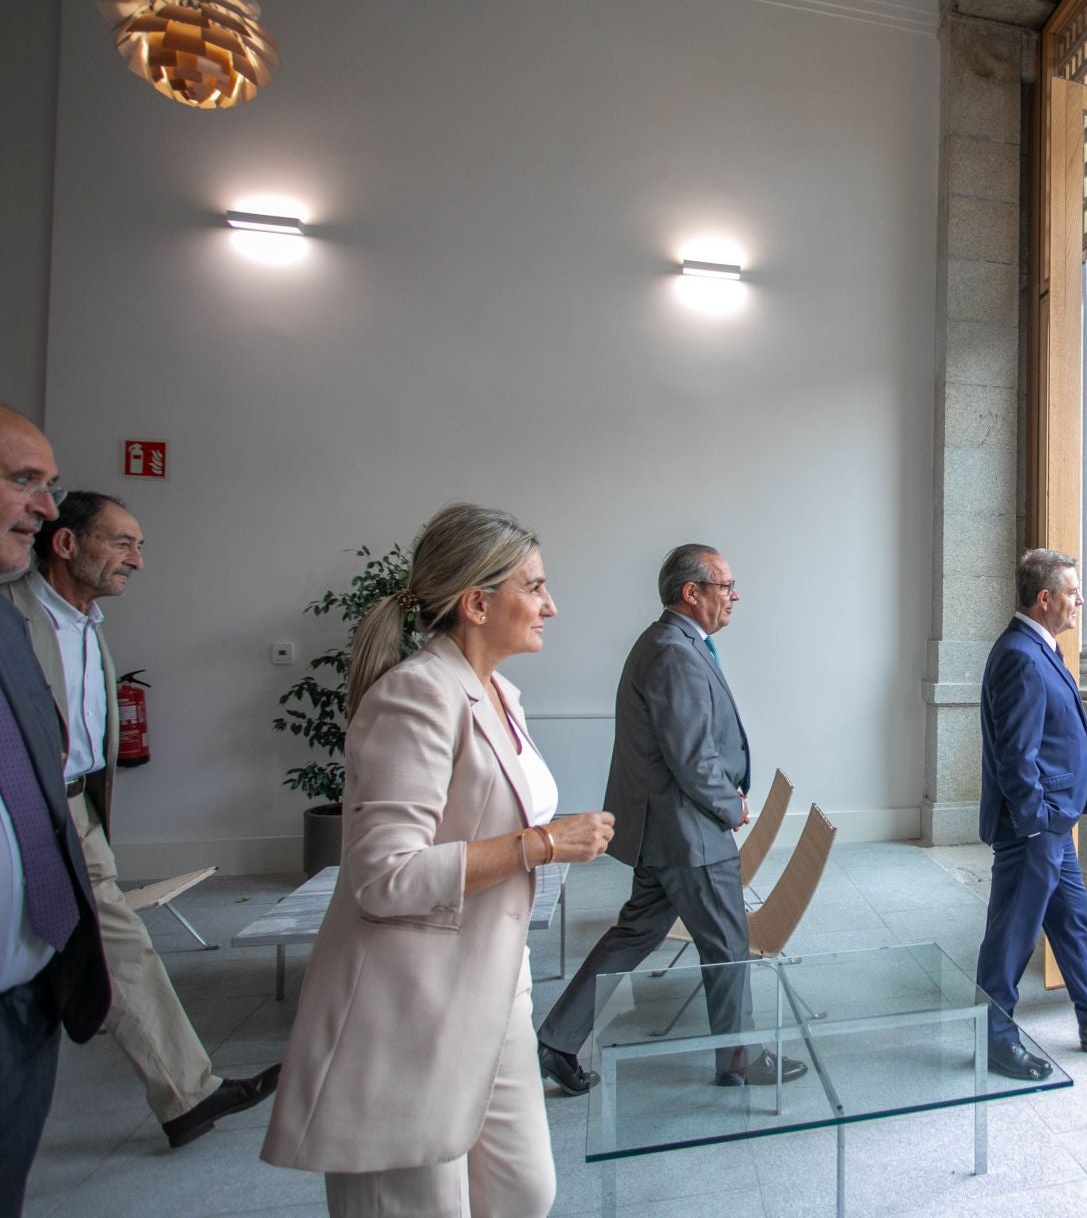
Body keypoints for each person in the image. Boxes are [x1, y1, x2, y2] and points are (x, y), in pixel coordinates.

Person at [261, 504, 615, 1216]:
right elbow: (384, 876)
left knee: (523, 1193)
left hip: (496, 986)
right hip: (413, 1003)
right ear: (477, 602)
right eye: (535, 586)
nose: (551, 604)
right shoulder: (415, 697)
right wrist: (545, 844)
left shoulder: (498, 693)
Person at [1, 491, 280, 1149]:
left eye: (140, 545)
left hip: (73, 809)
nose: (138, 560)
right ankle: (186, 1092)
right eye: (122, 542)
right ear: (65, 544)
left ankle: (187, 1093)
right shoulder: (15, 611)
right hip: (26, 808)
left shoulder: (88, 623)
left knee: (120, 943)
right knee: (113, 945)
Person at [536, 544, 805, 1093]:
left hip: (666, 831)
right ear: (692, 592)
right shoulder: (674, 652)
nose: (734, 597)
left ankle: (558, 1039)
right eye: (725, 586)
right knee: (727, 945)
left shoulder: (672, 643)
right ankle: (737, 1060)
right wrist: (731, 806)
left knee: (633, 935)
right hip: (689, 834)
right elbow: (691, 756)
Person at [975, 548, 1087, 1081]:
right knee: (1010, 937)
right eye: (1073, 591)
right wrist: (1036, 821)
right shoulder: (1020, 655)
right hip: (1035, 828)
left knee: (1073, 924)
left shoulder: (1038, 648)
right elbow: (1016, 754)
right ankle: (994, 1038)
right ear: (1045, 598)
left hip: (1052, 825)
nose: (1081, 600)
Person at [0, 407, 109, 1216]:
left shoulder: (9, 625)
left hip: (28, 985)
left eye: (49, 487)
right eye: (22, 481)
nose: (44, 509)